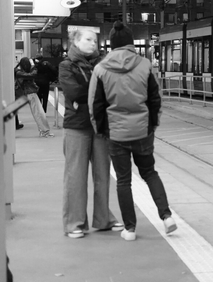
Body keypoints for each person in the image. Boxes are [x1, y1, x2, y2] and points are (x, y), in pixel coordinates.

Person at [89, 21, 176, 241]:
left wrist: (101, 130)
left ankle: (130, 229)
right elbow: (155, 98)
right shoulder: (145, 65)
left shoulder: (100, 69)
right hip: (142, 131)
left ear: (111, 45)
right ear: (131, 44)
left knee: (123, 181)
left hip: (116, 133)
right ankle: (166, 217)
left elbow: (95, 105)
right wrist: (152, 125)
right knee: (149, 173)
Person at [59, 29, 123, 239]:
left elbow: (112, 87)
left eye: (95, 40)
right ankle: (74, 223)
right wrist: (97, 91)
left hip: (100, 125)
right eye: (88, 40)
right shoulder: (66, 65)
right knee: (76, 176)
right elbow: (73, 92)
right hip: (77, 126)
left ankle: (103, 219)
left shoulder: (103, 63)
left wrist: (91, 92)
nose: (93, 44)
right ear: (76, 42)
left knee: (103, 174)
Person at [15, 57, 53, 137]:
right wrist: (33, 65)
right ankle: (44, 131)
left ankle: (44, 131)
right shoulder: (19, 72)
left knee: (39, 113)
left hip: (30, 93)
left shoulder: (20, 71)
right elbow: (33, 75)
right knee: (39, 113)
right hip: (30, 93)